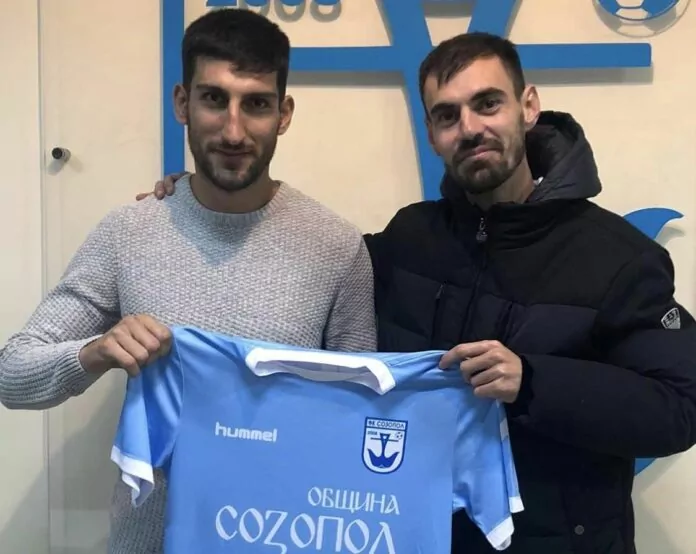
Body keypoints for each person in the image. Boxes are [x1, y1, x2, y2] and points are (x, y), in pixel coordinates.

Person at [147, 32, 696, 553]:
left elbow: (681, 407)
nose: (470, 128)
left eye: (487, 104)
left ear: (528, 106)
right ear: (432, 134)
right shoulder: (410, 237)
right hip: (410, 535)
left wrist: (533, 382)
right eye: (447, 115)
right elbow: (309, 257)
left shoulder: (619, 257)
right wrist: (200, 202)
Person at [0, 8, 376, 554]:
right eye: (214, 99)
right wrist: (96, 350)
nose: (233, 131)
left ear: (284, 113)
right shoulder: (129, 232)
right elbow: (11, 373)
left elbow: (362, 417)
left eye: (257, 104)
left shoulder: (337, 247)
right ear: (182, 103)